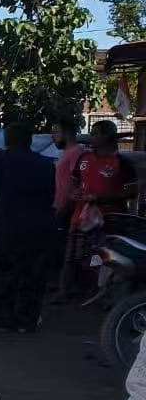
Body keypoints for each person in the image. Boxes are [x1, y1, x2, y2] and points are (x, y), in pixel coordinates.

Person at [0, 123, 58, 332]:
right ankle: (26, 322)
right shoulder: (46, 164)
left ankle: (2, 320)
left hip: (13, 227)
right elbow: (53, 195)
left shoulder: (3, 160)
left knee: (5, 273)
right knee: (34, 277)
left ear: (8, 140)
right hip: (43, 227)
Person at [69, 120, 138, 290]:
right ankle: (70, 291)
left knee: (104, 260)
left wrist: (102, 197)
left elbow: (131, 191)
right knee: (73, 258)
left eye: (95, 133)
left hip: (110, 221)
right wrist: (74, 193)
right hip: (81, 219)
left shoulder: (122, 163)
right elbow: (73, 183)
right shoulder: (83, 158)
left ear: (107, 137)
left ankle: (103, 293)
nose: (91, 137)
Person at [52, 118, 88, 300]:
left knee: (69, 254)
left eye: (55, 132)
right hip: (62, 209)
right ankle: (63, 287)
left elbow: (76, 184)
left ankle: (68, 290)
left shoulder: (77, 152)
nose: (53, 137)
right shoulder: (66, 153)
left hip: (70, 211)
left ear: (66, 133)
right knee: (61, 252)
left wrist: (65, 207)